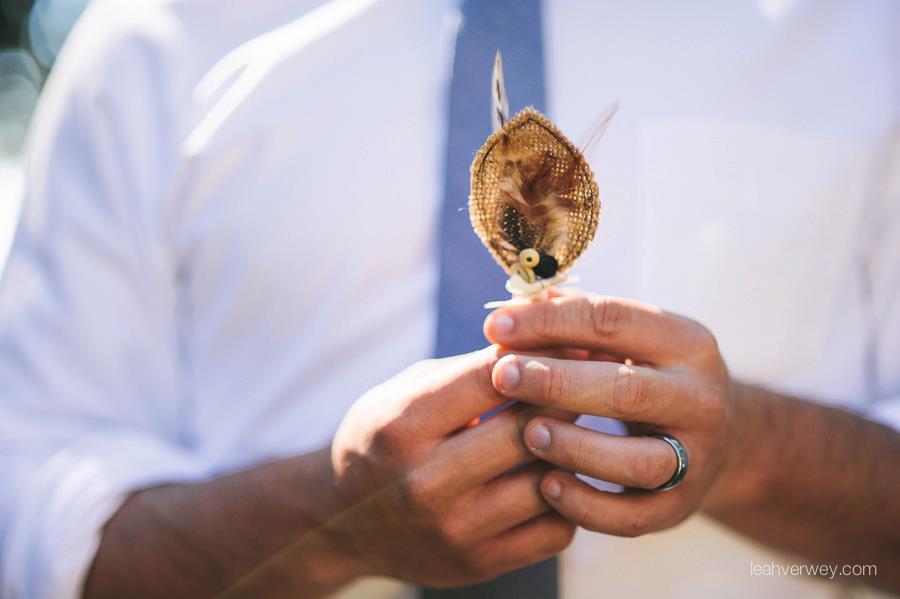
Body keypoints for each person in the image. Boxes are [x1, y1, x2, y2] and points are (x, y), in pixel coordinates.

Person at [1, 0, 898, 597]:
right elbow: (32, 523)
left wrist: (748, 451)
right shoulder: (155, 39)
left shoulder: (864, 31)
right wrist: (327, 515)